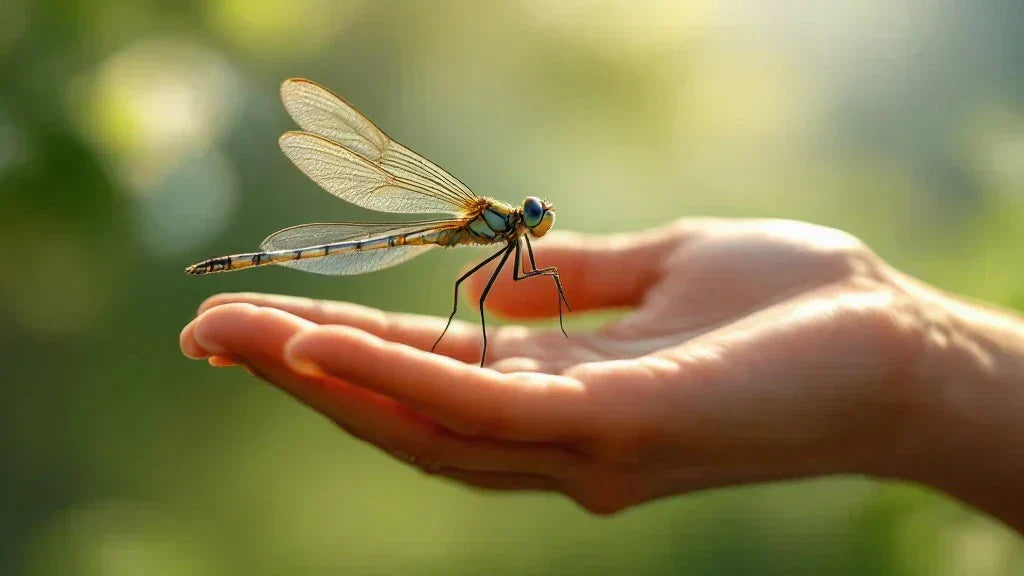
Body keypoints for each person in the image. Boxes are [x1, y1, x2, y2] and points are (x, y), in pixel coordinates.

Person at [179, 218, 1024, 532]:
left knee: (501, 290)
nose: (538, 225)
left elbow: (511, 281)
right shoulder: (496, 235)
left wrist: (913, 362)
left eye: (533, 219)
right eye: (532, 219)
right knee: (484, 294)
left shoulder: (513, 243)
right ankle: (241, 266)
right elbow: (492, 285)